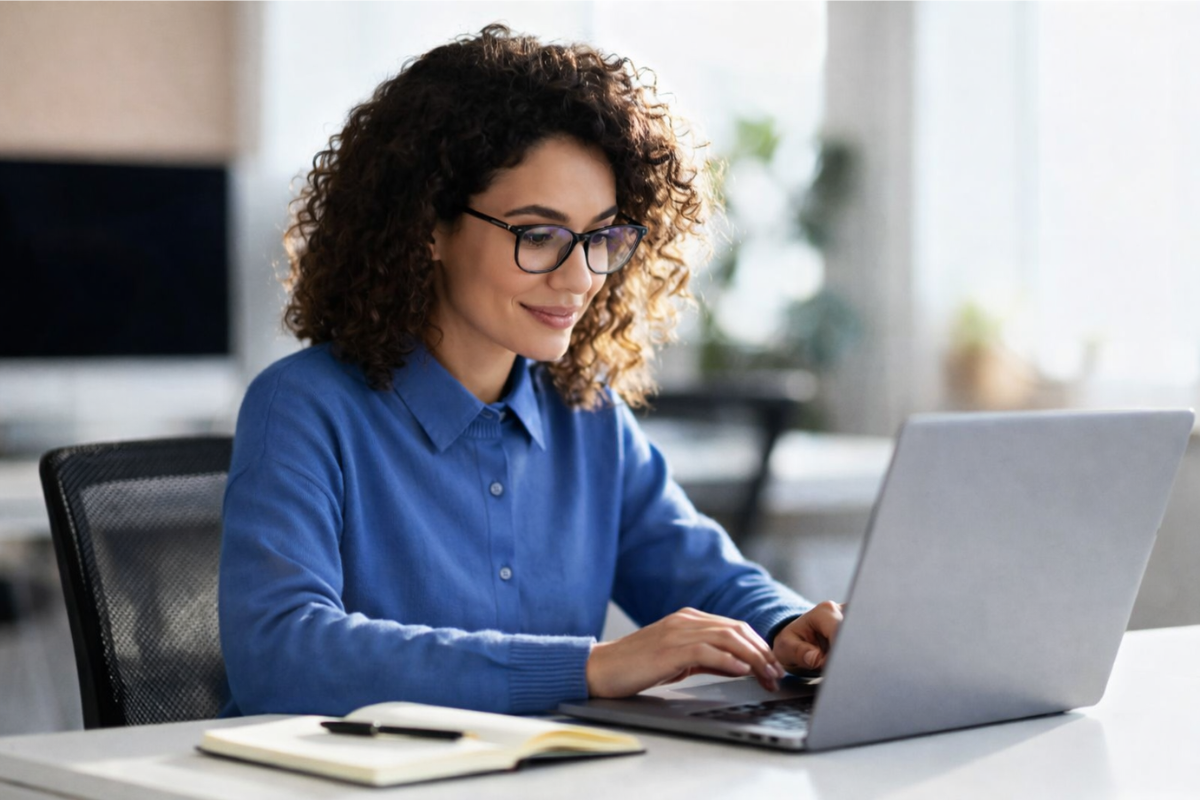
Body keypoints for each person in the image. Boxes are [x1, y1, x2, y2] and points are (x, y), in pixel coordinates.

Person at [219, 24, 844, 717]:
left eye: (601, 236)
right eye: (540, 235)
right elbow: (279, 656)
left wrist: (789, 626)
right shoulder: (303, 407)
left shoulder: (587, 414)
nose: (580, 278)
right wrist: (589, 667)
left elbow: (701, 572)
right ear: (429, 226)